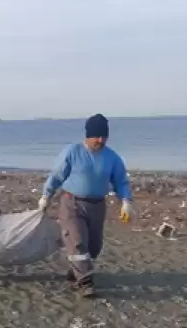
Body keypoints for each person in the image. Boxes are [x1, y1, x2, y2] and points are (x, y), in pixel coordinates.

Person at [38, 114, 134, 297]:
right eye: (97, 136)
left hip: (97, 206)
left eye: (104, 136)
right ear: (88, 135)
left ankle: (77, 272)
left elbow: (121, 181)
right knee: (77, 241)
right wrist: (45, 196)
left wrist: (126, 201)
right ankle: (86, 283)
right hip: (71, 203)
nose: (101, 140)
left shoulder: (112, 157)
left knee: (94, 246)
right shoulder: (72, 152)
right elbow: (57, 176)